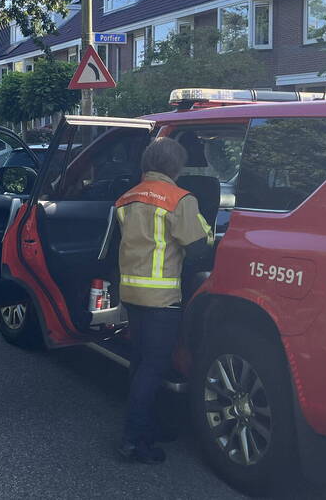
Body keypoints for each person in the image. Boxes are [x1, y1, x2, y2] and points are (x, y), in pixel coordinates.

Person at [115, 137, 213, 464]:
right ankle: (133, 440)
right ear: (176, 167)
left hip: (131, 292)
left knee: (141, 363)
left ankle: (148, 427)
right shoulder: (179, 199)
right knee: (154, 367)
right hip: (161, 296)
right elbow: (198, 245)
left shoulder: (126, 198)